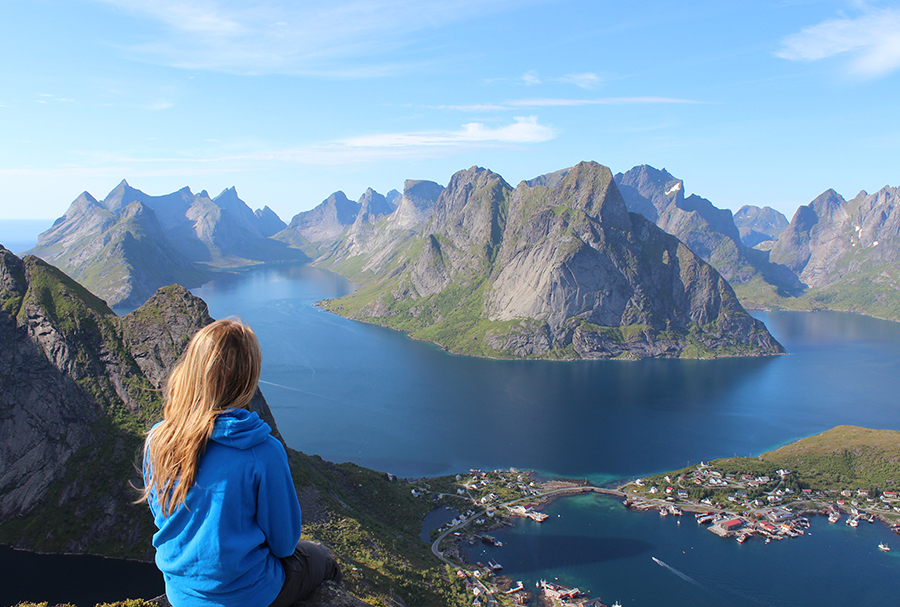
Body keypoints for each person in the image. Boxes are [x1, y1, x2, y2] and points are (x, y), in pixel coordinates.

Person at [140, 318, 341, 607]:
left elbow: (164, 518)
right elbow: (284, 544)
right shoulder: (262, 451)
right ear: (247, 378)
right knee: (322, 559)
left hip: (182, 593)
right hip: (248, 595)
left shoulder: (159, 439)